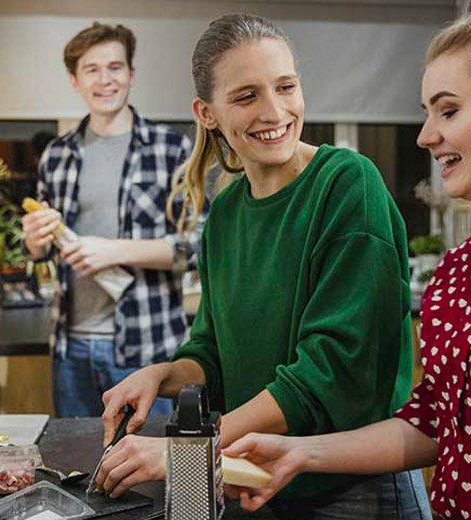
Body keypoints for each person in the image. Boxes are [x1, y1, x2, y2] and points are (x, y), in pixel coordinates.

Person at [97, 13, 431, 519]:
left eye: (286, 86)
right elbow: (213, 353)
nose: (275, 111)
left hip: (356, 491)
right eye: (246, 95)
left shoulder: (346, 185)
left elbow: (331, 371)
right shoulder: (226, 216)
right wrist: (161, 374)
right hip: (262, 484)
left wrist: (192, 449)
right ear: (206, 113)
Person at [223, 10, 471, 519]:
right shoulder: (461, 268)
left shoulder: (346, 184)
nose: (425, 135)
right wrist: (299, 453)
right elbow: (435, 422)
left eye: (448, 111)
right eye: (427, 112)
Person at [22, 23, 202, 418]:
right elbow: (41, 252)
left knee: (153, 472)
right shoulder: (57, 154)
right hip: (71, 349)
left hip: (148, 348)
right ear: (74, 80)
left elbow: (198, 247)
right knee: (78, 472)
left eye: (115, 67)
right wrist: (35, 242)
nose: (105, 80)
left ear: (131, 75)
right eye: (92, 69)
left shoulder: (171, 149)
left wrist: (114, 251)